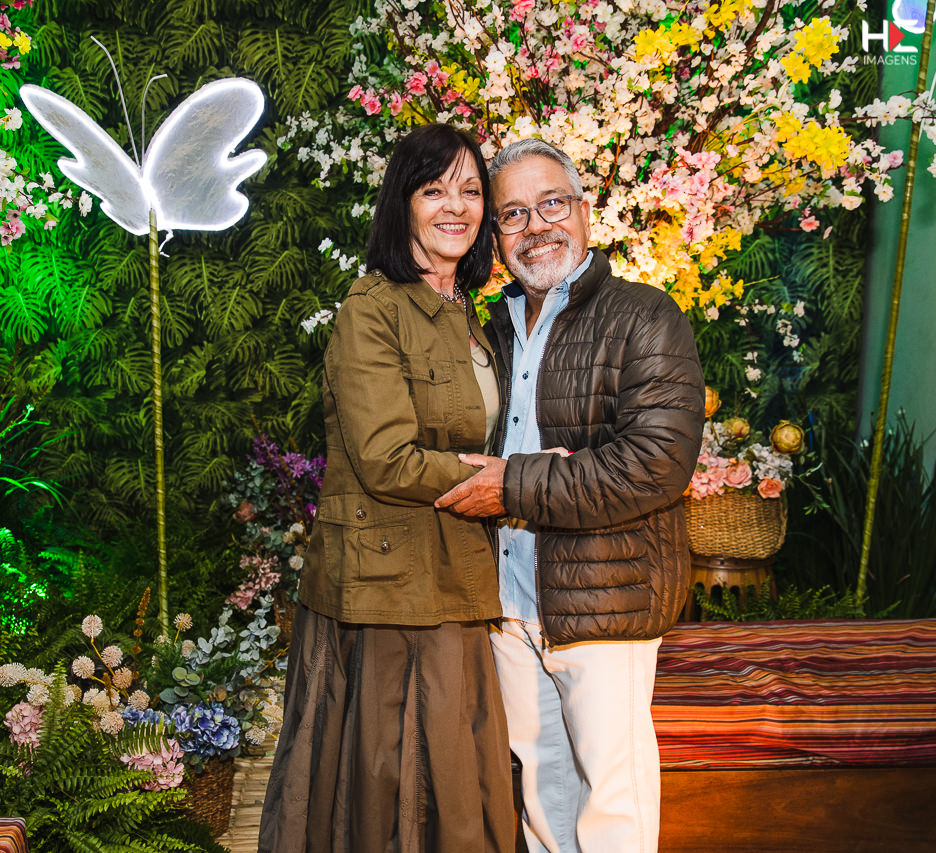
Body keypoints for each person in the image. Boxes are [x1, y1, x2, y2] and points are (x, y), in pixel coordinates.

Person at [435, 138, 706, 853]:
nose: (537, 226)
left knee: (611, 801)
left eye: (552, 203)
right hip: (510, 602)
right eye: (514, 214)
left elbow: (655, 463)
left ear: (585, 211)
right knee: (542, 793)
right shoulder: (490, 329)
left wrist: (512, 482)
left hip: (606, 596)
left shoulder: (643, 316)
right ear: (496, 236)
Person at [258, 123, 517, 852]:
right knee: (389, 787)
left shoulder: (472, 314)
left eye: (471, 191)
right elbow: (384, 458)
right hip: (389, 589)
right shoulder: (372, 309)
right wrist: (509, 483)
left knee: (457, 781)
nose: (456, 207)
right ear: (402, 203)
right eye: (434, 190)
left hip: (456, 571)